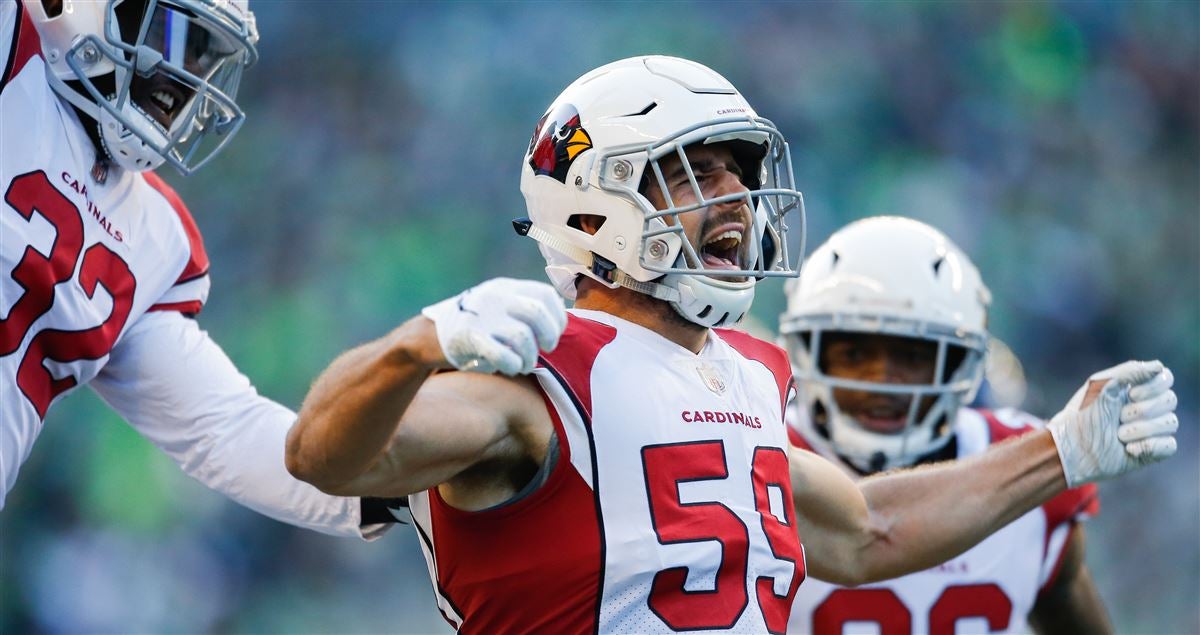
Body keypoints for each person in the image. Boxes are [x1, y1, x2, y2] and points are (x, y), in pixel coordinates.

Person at [285, 56, 1179, 634]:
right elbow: (323, 455)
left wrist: (1064, 448)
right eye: (697, 171)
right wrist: (411, 347)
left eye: (741, 173)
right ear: (597, 200)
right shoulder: (538, 371)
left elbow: (871, 528)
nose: (738, 199)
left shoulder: (744, 372)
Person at [0, 0, 400, 535]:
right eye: (173, 34)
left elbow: (223, 431)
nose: (187, 77)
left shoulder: (154, 241)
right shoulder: (12, 51)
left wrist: (403, 483)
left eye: (208, 57)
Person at [781, 216, 1114, 634]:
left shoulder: (1018, 464)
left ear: (962, 363)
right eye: (853, 354)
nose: (883, 382)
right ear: (807, 354)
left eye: (915, 357)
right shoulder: (763, 456)